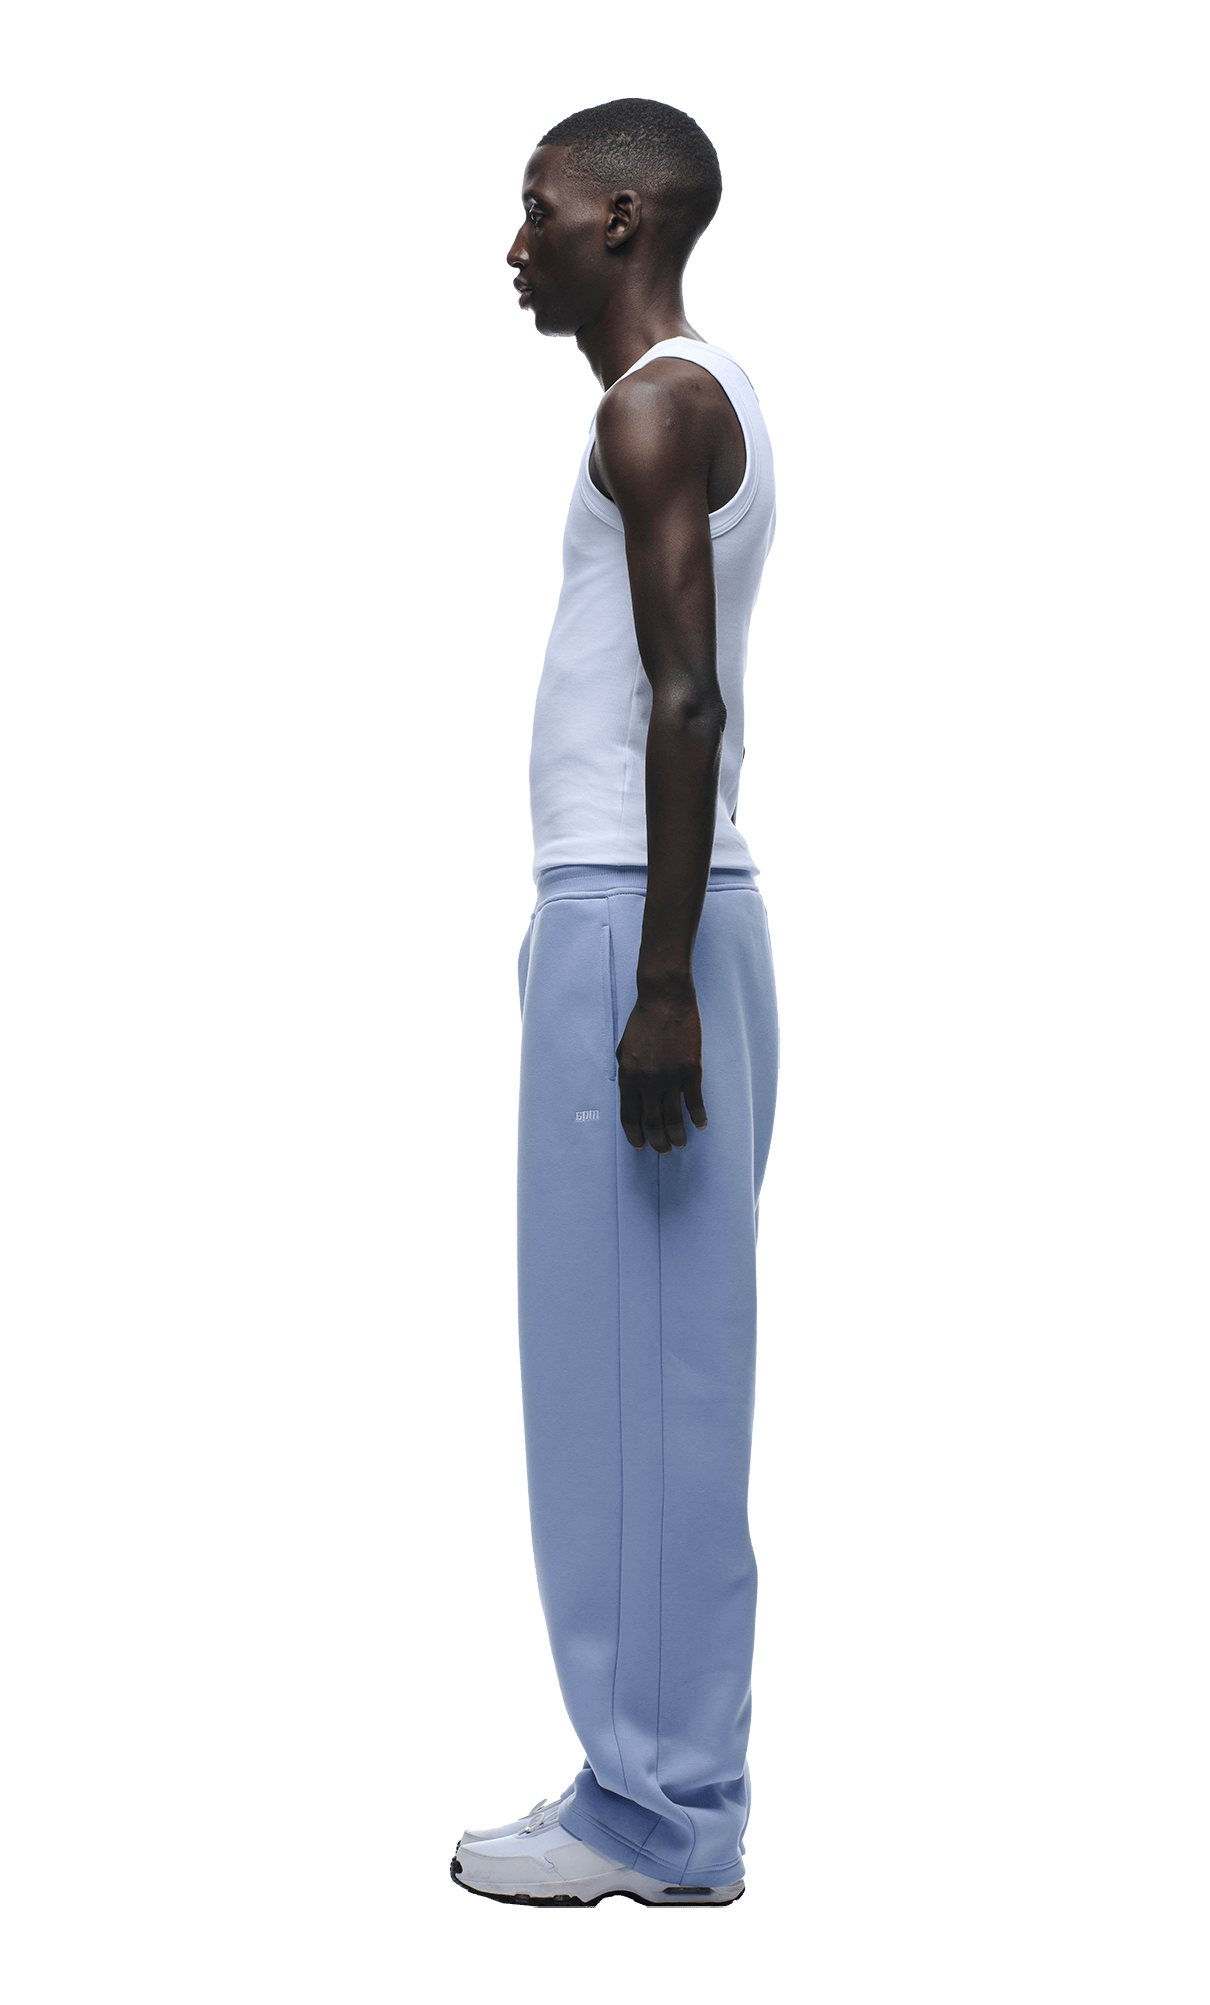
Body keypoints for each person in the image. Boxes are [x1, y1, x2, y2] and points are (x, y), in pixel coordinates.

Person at [451, 99, 780, 1911]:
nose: (521, 245)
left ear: (626, 220)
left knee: (625, 1385)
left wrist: (654, 986)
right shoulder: (704, 396)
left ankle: (648, 1815)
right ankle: (671, 1794)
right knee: (661, 1377)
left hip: (636, 926)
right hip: (661, 913)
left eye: (543, 211)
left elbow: (685, 698)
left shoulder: (653, 407)